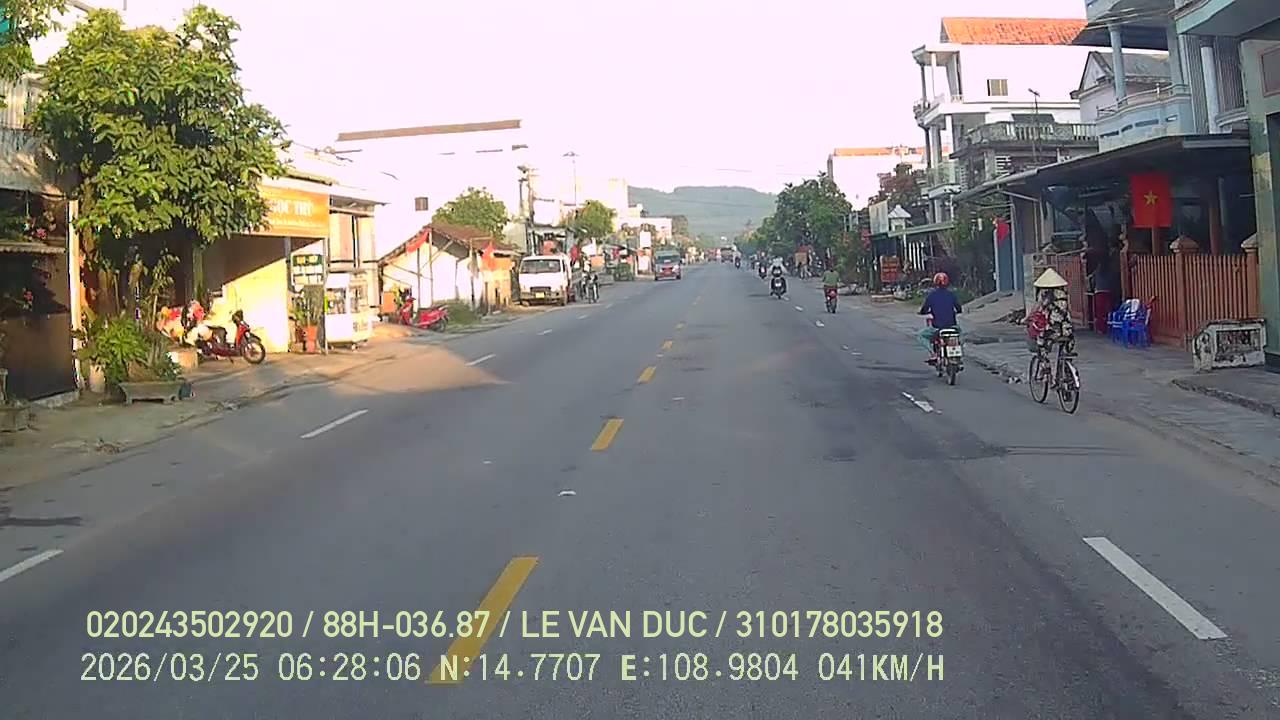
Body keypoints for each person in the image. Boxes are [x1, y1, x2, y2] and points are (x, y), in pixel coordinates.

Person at [1031, 268, 1075, 371]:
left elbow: (1037, 308)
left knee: (1041, 342)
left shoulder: (1044, 293)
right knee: (1066, 346)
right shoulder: (1064, 293)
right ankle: (1066, 367)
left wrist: (1027, 319)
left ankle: (1045, 365)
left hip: (1053, 330)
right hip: (1067, 329)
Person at [917, 272, 962, 362]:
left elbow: (924, 309)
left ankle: (933, 354)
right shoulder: (951, 295)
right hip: (952, 326)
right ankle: (958, 351)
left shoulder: (931, 296)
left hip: (937, 327)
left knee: (921, 335)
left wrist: (923, 312)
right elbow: (959, 308)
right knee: (960, 334)